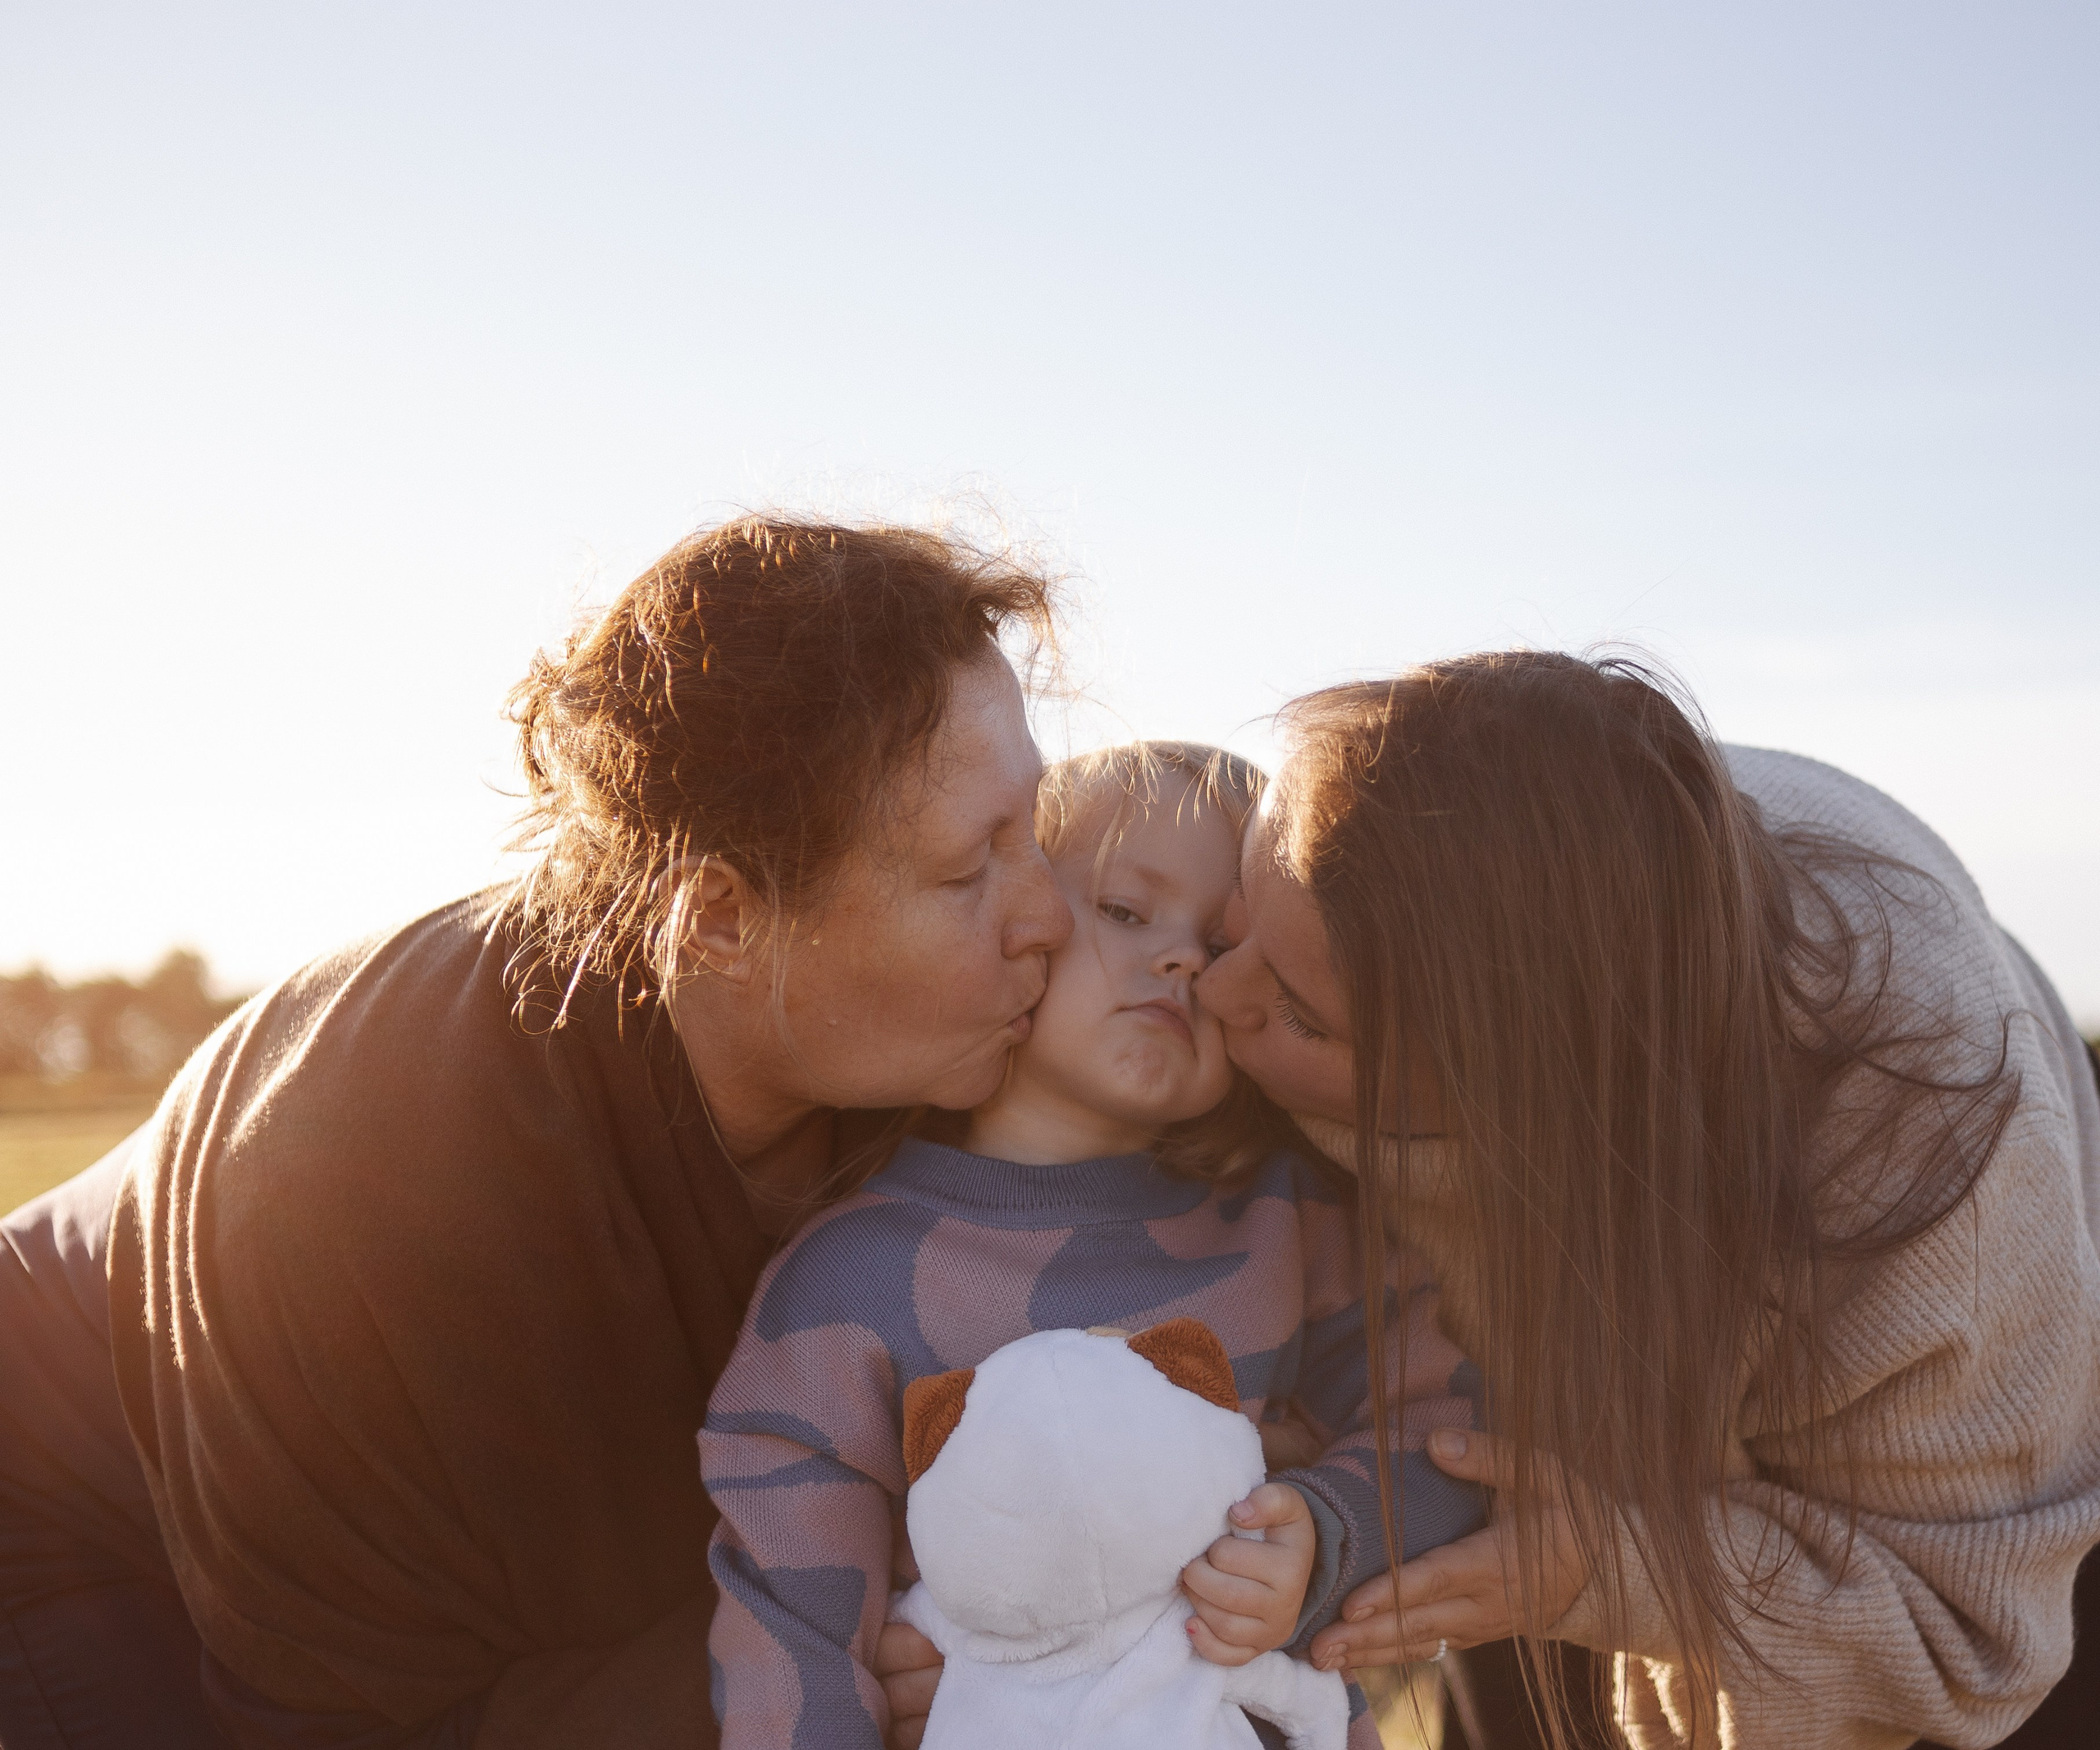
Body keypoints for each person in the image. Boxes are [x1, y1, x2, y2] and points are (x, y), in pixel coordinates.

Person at [0, 517, 1075, 1748]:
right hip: (65, 1522)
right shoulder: (375, 1177)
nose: (1049, 914)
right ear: (719, 919)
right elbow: (349, 1729)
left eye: (1032, 829)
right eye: (967, 871)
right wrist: (809, 1650)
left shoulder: (930, 1033)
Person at [1195, 651, 2100, 1750]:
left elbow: (1965, 1629)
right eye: (1235, 918)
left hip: (1950, 1526)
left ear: (1522, 1095)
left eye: (1299, 1015)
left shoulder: (1929, 1138)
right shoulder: (1386, 860)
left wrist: (1611, 1571)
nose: (1211, 987)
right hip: (1520, 1436)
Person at [702, 742, 1489, 1749]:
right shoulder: (848, 1279)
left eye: (1223, 943)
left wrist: (1322, 1537)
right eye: (1124, 910)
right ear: (1016, 921)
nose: (1183, 960)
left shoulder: (1284, 1226)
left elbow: (1448, 1421)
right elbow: (789, 1623)